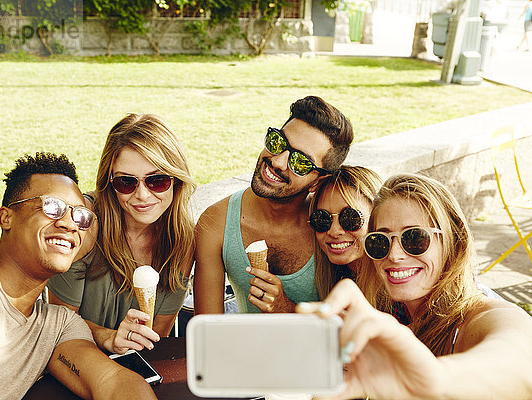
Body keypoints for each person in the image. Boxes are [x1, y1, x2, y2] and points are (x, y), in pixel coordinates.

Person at [0, 152, 156, 399]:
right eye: (52, 207)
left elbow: (113, 380)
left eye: (80, 216)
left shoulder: (58, 326)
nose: (69, 225)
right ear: (6, 217)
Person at [299, 173, 532, 400]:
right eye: (381, 241)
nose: (395, 255)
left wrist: (435, 380)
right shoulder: (393, 311)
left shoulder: (480, 314)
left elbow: (519, 357)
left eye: (414, 239)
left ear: (454, 241)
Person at [48, 114, 195, 355]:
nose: (142, 195)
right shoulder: (84, 225)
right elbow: (59, 325)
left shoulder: (182, 241)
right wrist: (107, 337)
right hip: (73, 359)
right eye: (126, 182)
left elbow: (155, 337)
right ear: (109, 182)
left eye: (156, 181)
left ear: (176, 180)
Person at [194, 96, 354, 314]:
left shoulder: (332, 229)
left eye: (300, 162)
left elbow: (354, 331)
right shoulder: (216, 223)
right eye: (278, 143)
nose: (277, 161)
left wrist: (285, 308)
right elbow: (208, 330)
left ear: (317, 181)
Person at [309, 166, 382, 298]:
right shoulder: (337, 274)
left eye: (350, 218)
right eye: (322, 219)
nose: (334, 231)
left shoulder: (396, 283)